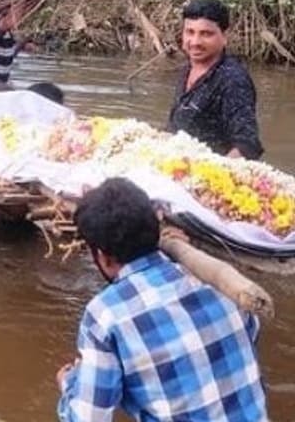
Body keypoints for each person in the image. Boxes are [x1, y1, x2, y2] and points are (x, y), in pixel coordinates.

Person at [56, 177, 267, 422]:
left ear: (103, 257)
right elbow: (249, 338)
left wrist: (70, 385)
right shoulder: (222, 282)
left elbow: (88, 419)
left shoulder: (105, 315)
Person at [167, 0, 263, 159]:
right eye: (190, 32)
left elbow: (248, 145)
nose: (195, 42)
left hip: (207, 172)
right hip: (177, 162)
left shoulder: (232, 79)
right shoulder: (188, 68)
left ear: (224, 37)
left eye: (206, 34)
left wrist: (214, 174)